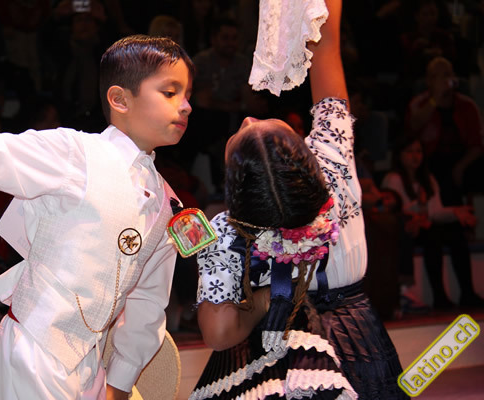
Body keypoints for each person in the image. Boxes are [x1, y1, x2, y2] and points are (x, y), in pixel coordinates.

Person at [0, 34, 193, 399]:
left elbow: (147, 301)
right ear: (120, 99)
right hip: (32, 350)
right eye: (170, 92)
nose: (186, 106)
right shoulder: (75, 154)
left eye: (188, 94)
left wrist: (120, 382)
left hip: (91, 364)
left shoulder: (166, 202)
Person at [189, 0, 408, 399]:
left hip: (265, 358)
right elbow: (327, 48)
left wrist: (270, 298)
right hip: (355, 343)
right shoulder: (334, 164)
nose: (249, 118)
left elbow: (218, 332)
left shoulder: (227, 232)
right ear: (305, 158)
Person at [381, 137, 484, 309]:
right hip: (407, 231)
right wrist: (420, 205)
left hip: (427, 226)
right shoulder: (393, 178)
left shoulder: (428, 179)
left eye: (419, 151)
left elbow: (436, 212)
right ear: (399, 155)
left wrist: (456, 212)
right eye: (410, 151)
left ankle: (468, 293)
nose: (415, 156)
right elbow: (395, 208)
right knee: (433, 237)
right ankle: (439, 296)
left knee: (457, 235)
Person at [404, 56, 484, 207]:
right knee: (440, 173)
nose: (442, 80)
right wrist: (436, 98)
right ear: (428, 81)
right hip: (430, 158)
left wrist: (460, 166)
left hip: (463, 158)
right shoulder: (418, 104)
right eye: (436, 76)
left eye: (446, 75)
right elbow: (413, 127)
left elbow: (477, 145)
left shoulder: (467, 105)